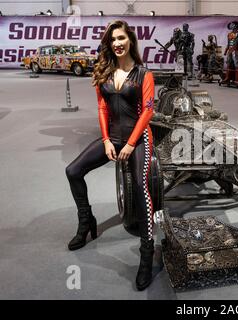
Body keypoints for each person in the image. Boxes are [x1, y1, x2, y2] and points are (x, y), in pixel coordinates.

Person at [65, 20, 156, 291]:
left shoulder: (143, 74)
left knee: (141, 188)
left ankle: (147, 253)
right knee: (73, 171)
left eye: (120, 38)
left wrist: (129, 144)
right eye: (112, 40)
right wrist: (106, 140)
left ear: (130, 40)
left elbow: (148, 112)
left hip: (138, 138)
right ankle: (86, 222)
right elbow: (102, 108)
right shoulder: (103, 71)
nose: (116, 44)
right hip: (113, 138)